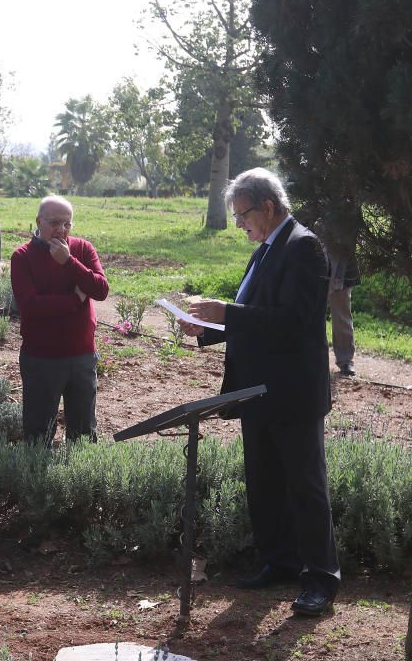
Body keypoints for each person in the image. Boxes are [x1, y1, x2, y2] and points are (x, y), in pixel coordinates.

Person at [181, 167, 339, 617]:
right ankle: (280, 561)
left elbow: (291, 322)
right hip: (256, 391)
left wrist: (225, 312)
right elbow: (254, 316)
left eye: (243, 214)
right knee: (265, 483)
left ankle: (320, 579)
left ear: (268, 207)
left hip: (292, 392)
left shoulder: (303, 247)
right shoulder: (265, 250)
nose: (239, 224)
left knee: (305, 487)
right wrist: (207, 327)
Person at [10, 196, 109, 444]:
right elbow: (31, 307)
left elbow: (100, 290)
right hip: (41, 357)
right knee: (38, 432)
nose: (61, 230)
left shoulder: (83, 249)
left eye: (67, 224)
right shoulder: (22, 256)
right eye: (54, 223)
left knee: (83, 433)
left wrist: (69, 262)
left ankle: (80, 481)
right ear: (38, 222)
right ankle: (35, 480)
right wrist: (75, 300)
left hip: (82, 354)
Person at [327, 250, 360, 377]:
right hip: (315, 258)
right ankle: (310, 356)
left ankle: (346, 360)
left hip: (343, 262)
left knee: (342, 314)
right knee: (312, 313)